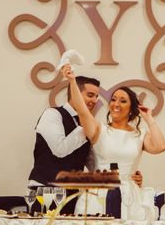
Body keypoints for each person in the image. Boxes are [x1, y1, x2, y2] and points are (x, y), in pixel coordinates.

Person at [27, 73, 143, 214]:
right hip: (45, 191)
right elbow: (59, 149)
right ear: (75, 93)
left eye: (96, 96)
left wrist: (128, 176)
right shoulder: (53, 114)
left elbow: (95, 165)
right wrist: (84, 129)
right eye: (90, 95)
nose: (94, 100)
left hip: (72, 195)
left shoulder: (90, 126)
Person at [63, 64, 165, 220]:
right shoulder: (99, 129)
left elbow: (160, 146)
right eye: (113, 99)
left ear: (132, 108)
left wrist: (149, 118)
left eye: (123, 101)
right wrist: (71, 81)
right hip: (98, 194)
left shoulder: (140, 134)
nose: (116, 104)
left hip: (130, 196)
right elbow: (82, 109)